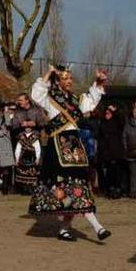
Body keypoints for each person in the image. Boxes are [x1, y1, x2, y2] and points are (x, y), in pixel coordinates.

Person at [30, 65, 111, 242]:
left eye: (70, 79)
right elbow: (35, 94)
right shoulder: (49, 97)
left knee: (77, 188)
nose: (69, 81)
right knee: (72, 189)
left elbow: (89, 101)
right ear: (58, 81)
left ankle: (65, 229)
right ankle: (98, 227)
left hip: (75, 147)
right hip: (58, 146)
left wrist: (97, 82)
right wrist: (49, 73)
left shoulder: (75, 99)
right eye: (65, 78)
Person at [11, 93, 45, 194]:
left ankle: (34, 186)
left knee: (35, 163)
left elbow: (43, 123)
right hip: (22, 139)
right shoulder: (17, 113)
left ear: (27, 100)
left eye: (21, 100)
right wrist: (21, 124)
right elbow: (13, 126)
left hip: (34, 139)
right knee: (21, 165)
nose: (19, 102)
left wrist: (35, 124)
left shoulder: (36, 111)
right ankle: (22, 187)